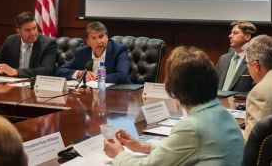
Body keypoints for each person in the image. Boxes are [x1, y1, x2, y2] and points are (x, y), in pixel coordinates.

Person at [104, 46, 244, 166]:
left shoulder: (191, 127)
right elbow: (180, 148)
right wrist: (143, 147)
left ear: (174, 89)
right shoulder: (224, 114)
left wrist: (118, 154)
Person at [0, 11, 57, 78]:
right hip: (12, 85)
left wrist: (16, 72)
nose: (33, 33)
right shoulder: (10, 41)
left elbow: (47, 70)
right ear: (18, 31)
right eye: (27, 30)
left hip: (35, 85)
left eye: (34, 28)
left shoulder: (48, 43)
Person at [55, 21, 131, 84]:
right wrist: (80, 74)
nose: (99, 42)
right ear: (88, 42)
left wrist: (96, 77)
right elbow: (60, 71)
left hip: (118, 94)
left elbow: (122, 75)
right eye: (94, 38)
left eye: (101, 36)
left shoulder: (118, 50)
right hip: (89, 95)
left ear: (107, 37)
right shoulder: (82, 53)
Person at [216, 20, 257, 92]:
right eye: (231, 33)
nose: (230, 36)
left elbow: (255, 91)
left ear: (247, 36)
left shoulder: (254, 61)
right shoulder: (223, 59)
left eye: (235, 33)